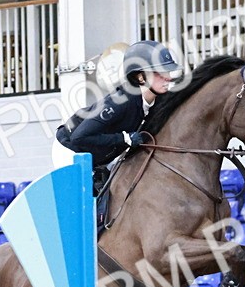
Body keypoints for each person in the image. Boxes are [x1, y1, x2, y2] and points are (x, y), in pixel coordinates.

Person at [54, 40, 182, 193]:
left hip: (101, 153)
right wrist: (124, 139)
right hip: (69, 149)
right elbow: (79, 137)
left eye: (167, 72)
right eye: (159, 73)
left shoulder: (156, 99)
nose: (167, 77)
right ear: (141, 78)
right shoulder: (120, 102)